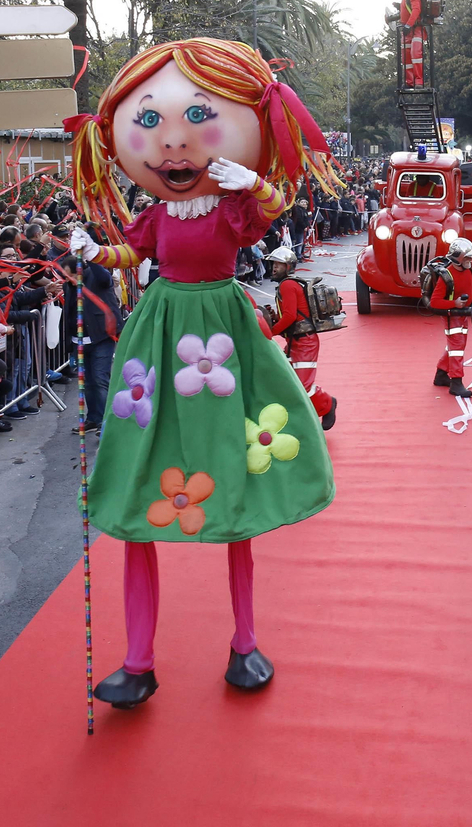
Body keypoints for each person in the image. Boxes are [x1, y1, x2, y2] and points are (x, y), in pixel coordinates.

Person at [64, 37, 338, 709]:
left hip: (222, 331)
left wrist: (260, 184)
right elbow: (130, 253)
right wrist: (88, 247)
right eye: (151, 123)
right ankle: (138, 659)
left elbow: (271, 212)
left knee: (233, 483)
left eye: (194, 121)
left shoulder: (230, 207)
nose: (173, 146)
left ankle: (244, 643)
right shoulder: (159, 213)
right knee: (138, 480)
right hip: (159, 334)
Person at [264, 246, 337, 430]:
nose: (274, 267)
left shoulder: (287, 285)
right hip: (296, 342)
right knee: (289, 383)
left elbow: (290, 317)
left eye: (278, 264)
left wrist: (270, 332)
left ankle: (327, 404)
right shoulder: (287, 284)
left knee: (302, 386)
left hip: (304, 343)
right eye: (273, 263)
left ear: (288, 266)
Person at [425, 239, 472, 400]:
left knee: (456, 345)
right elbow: (435, 302)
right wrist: (454, 303)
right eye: (467, 258)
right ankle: (456, 382)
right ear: (458, 259)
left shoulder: (467, 271)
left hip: (463, 314)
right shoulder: (447, 276)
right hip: (452, 316)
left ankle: (441, 374)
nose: (470, 261)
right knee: (457, 346)